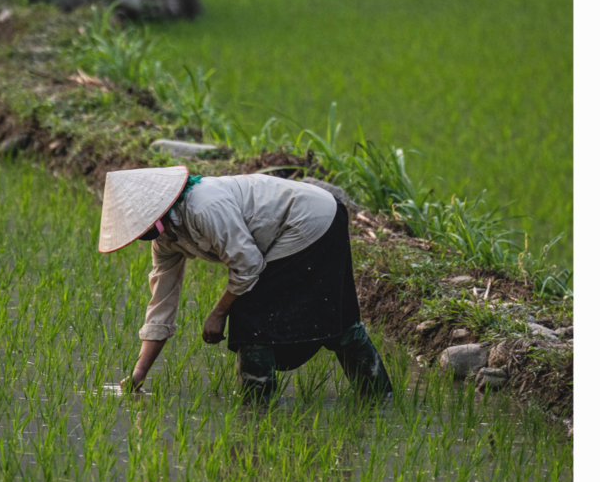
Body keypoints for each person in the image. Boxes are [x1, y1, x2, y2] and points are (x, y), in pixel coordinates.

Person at [97, 164, 392, 402]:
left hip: (312, 219)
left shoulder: (203, 207)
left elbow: (248, 265)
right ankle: (377, 394)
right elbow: (161, 303)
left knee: (251, 316)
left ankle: (256, 405)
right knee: (313, 314)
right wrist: (138, 374)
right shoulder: (166, 239)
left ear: (158, 212)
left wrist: (218, 312)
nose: (144, 236)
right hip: (287, 232)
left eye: (143, 228)